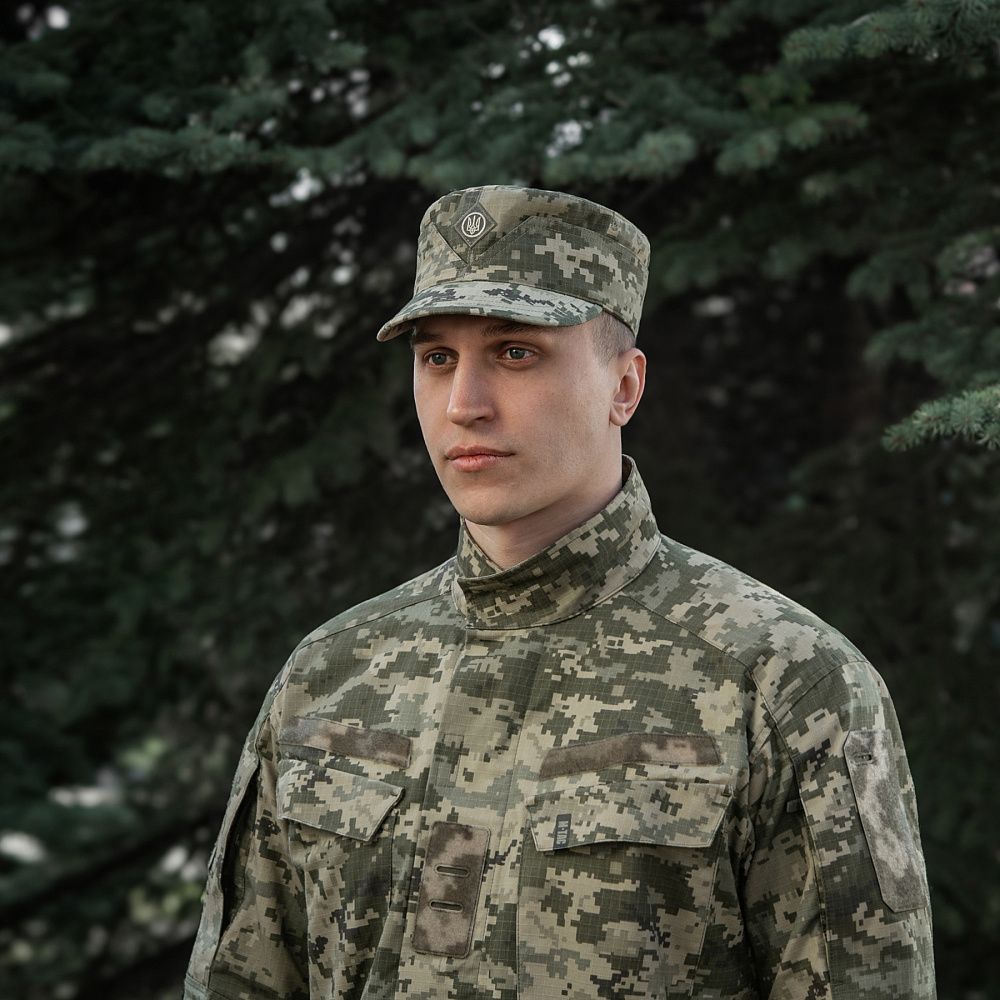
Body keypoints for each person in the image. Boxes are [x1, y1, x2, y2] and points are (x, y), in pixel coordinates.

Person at [183, 185, 935, 1000]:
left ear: (625, 386)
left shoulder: (784, 680)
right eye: (437, 359)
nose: (464, 405)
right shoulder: (330, 673)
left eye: (515, 353)